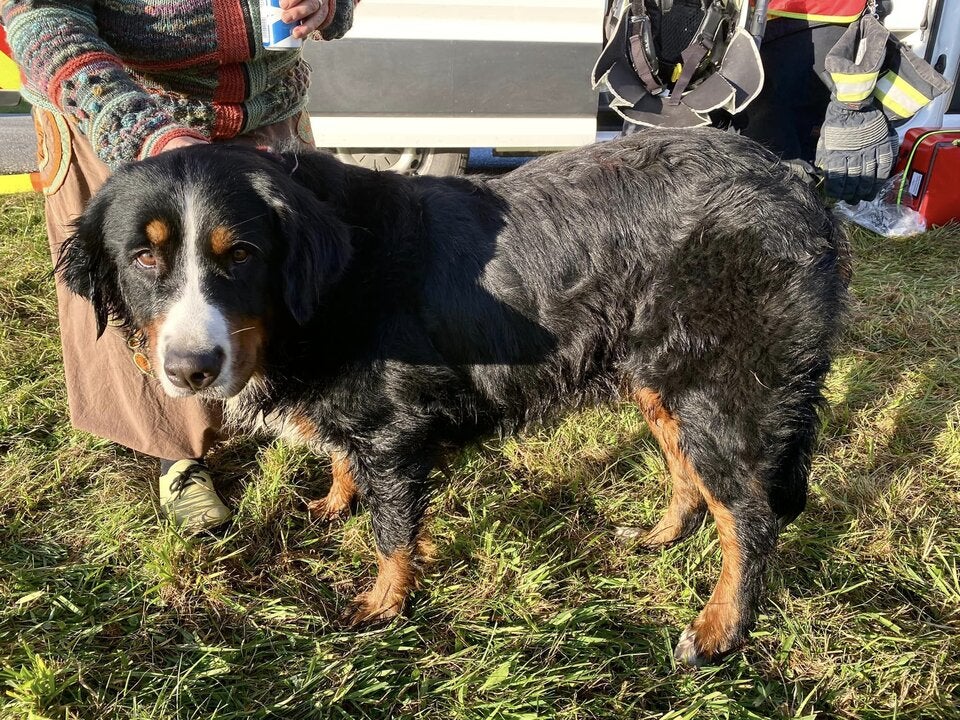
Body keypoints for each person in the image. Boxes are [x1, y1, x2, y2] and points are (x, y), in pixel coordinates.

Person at [1, 0, 358, 532]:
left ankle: (331, 432)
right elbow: (38, 15)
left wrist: (330, 8)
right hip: (121, 121)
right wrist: (138, 130)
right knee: (155, 294)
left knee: (294, 282)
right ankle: (180, 457)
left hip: (266, 120)